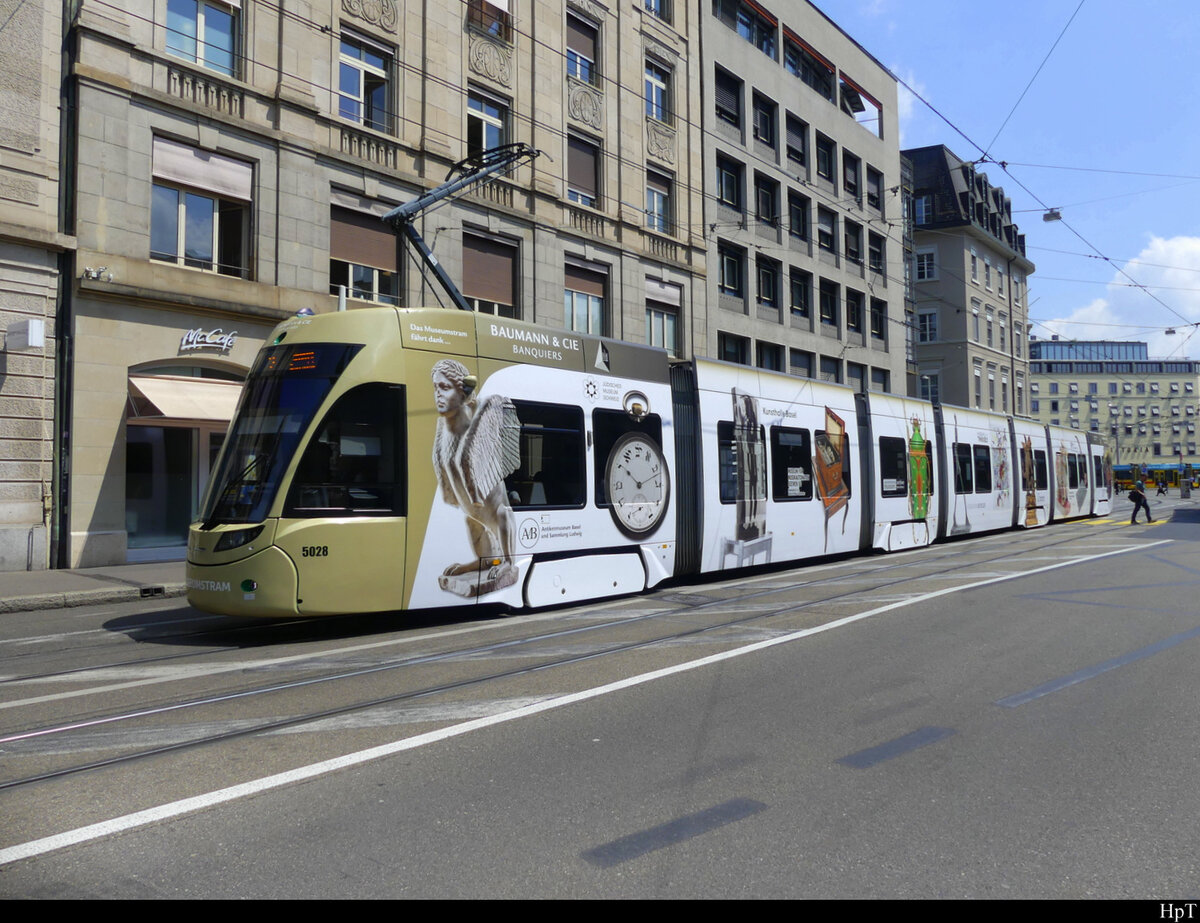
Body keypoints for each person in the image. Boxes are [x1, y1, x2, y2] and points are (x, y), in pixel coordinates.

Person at [430, 358, 521, 596]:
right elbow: (443, 464)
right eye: (436, 387)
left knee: (502, 513)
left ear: (463, 393)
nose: (438, 394)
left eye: (445, 387)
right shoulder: (442, 427)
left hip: (493, 510)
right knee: (471, 522)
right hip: (474, 512)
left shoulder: (476, 417)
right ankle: (483, 560)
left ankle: (509, 562)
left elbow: (465, 458)